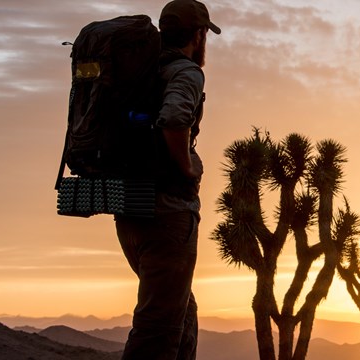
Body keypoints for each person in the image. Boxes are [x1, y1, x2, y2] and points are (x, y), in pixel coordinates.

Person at [114, 1, 220, 359]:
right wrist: (187, 167)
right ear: (199, 34)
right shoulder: (187, 72)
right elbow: (175, 119)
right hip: (167, 211)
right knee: (158, 327)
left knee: (180, 312)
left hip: (129, 207)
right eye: (205, 34)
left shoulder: (139, 71)